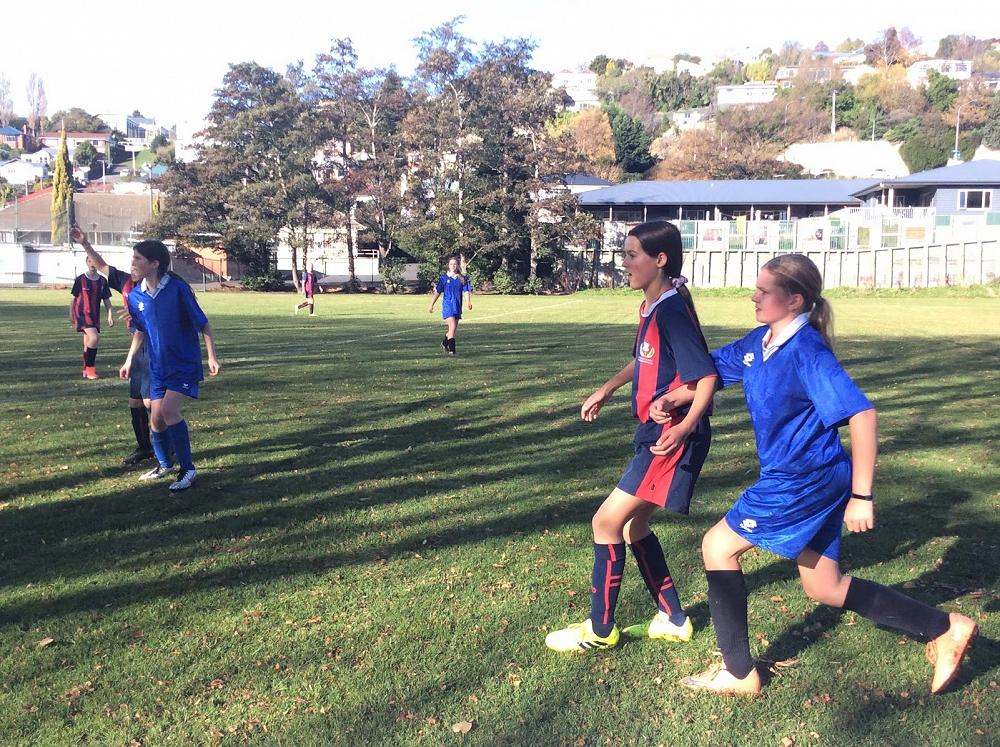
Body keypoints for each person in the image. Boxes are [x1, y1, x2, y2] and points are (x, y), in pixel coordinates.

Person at [660, 254, 976, 695]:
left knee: (717, 546)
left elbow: (862, 414)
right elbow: (710, 372)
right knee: (825, 587)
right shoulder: (760, 342)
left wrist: (862, 496)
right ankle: (945, 627)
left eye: (764, 291)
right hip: (810, 477)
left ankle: (739, 673)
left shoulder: (807, 352)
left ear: (795, 300)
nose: (754, 296)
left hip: (803, 479)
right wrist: (673, 399)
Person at [544, 221, 718, 652]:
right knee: (633, 526)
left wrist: (683, 426)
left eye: (631, 255)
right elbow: (643, 360)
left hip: (670, 436)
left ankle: (600, 630)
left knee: (606, 522)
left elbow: (706, 378)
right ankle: (673, 619)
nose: (624, 263)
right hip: (656, 430)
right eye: (624, 254)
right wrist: (606, 389)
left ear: (660, 260)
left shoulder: (671, 311)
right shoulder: (652, 306)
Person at [120, 240, 221, 492]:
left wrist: (211, 357)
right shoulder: (136, 296)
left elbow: (203, 324)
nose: (133, 263)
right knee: (155, 419)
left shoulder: (177, 289)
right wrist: (130, 359)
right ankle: (164, 464)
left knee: (169, 411)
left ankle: (188, 469)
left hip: (183, 363)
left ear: (154, 264)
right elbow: (141, 331)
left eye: (138, 258)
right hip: (158, 367)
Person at [70, 225, 154, 466]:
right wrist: (85, 244)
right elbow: (102, 265)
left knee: (152, 402)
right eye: (132, 260)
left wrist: (139, 315)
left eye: (137, 260)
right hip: (138, 345)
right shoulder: (126, 282)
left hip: (155, 347)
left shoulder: (159, 287)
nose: (132, 265)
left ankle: (166, 448)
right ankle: (145, 448)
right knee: (135, 401)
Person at [70, 256, 114, 379]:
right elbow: (74, 298)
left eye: (94, 261)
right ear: (86, 263)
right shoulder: (80, 279)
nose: (92, 264)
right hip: (82, 314)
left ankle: (85, 370)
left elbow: (106, 300)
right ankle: (90, 370)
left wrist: (110, 315)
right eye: (89, 261)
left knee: (88, 342)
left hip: (95, 315)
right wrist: (71, 314)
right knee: (95, 337)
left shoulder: (102, 281)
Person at [428, 256, 472, 355]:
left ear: (458, 265)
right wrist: (431, 304)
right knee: (452, 327)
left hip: (457, 306)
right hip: (448, 306)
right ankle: (452, 351)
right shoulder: (444, 278)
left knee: (453, 330)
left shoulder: (462, 278)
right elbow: (438, 292)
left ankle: (444, 343)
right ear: (448, 265)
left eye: (455, 264)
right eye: (451, 264)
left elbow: (466, 291)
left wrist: (468, 302)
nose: (453, 266)